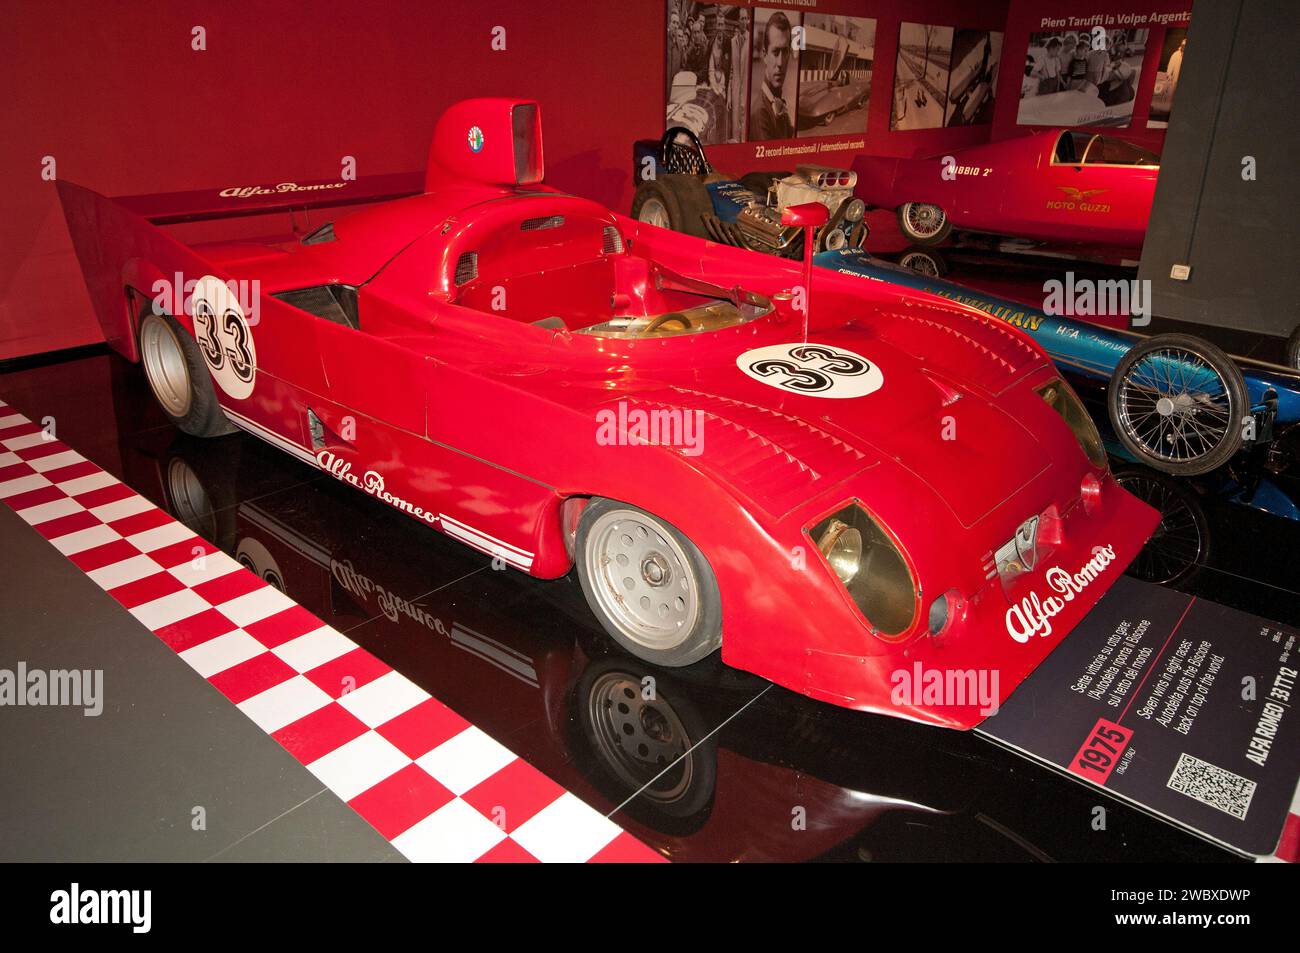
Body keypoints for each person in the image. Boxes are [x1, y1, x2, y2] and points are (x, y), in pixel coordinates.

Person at [749, 12, 795, 140]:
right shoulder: (760, 114)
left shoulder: (776, 100)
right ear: (764, 55)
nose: (780, 63)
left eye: (785, 52)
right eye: (775, 52)